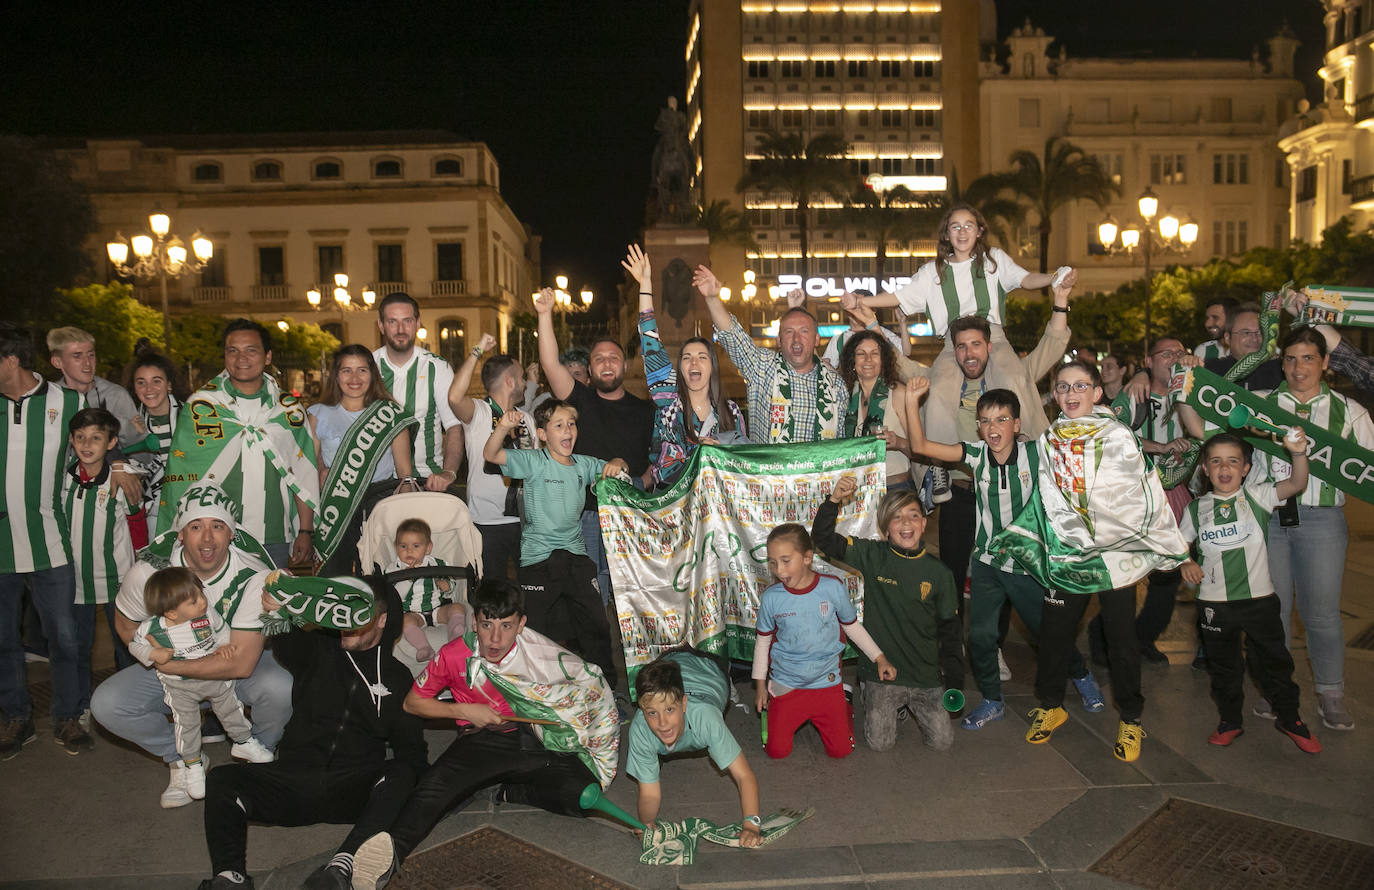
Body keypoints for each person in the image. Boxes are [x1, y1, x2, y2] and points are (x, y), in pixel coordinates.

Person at [348, 580, 618, 890]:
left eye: (506, 626)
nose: (495, 638)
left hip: (538, 738)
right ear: (474, 621)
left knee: (581, 797)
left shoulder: (538, 652)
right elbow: (412, 702)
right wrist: (464, 711)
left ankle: (510, 791)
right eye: (487, 624)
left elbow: (587, 684)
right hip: (483, 739)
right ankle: (387, 856)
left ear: (521, 625)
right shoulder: (454, 654)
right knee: (433, 790)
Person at [1009, 361, 1187, 763]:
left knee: (1121, 639)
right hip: (1070, 552)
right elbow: (1047, 495)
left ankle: (1132, 718)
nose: (1071, 394)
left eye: (1081, 386)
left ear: (1097, 393)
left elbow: (1142, 490)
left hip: (1114, 554)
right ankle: (1052, 706)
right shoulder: (1051, 437)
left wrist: (1156, 541)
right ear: (1054, 394)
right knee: (1054, 634)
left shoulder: (1118, 435)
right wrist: (1045, 538)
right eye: (1063, 387)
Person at [903, 383, 1104, 730]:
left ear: (1017, 424)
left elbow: (1083, 448)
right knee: (979, 637)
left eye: (1001, 419)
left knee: (1047, 632)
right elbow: (920, 447)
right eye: (985, 421)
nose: (993, 428)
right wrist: (910, 401)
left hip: (1027, 565)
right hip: (986, 564)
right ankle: (992, 700)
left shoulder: (1036, 453)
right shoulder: (975, 454)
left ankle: (1081, 674)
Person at [199, 584, 427, 890]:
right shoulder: (317, 648)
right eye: (344, 610)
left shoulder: (397, 677)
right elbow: (286, 637)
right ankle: (230, 877)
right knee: (221, 779)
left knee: (400, 772)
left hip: (351, 787)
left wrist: (434, 791)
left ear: (383, 620)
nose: (348, 620)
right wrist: (278, 608)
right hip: (293, 780)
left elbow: (411, 751)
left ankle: (341, 869)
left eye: (360, 612)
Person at [92, 484, 293, 807]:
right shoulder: (150, 572)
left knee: (279, 686)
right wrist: (152, 651)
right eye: (196, 527)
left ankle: (257, 751)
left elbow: (241, 663)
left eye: (218, 526)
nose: (208, 538)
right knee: (108, 703)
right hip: (173, 668)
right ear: (181, 534)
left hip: (228, 666)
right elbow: (125, 623)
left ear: (232, 533)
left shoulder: (253, 573)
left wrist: (173, 666)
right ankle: (185, 759)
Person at [912, 279, 1073, 629]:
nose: (969, 353)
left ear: (989, 347)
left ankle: (995, 644)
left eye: (975, 345)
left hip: (1010, 493)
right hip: (959, 490)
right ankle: (952, 642)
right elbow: (897, 366)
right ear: (952, 351)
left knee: (1006, 569)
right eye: (961, 347)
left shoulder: (1016, 376)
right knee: (952, 570)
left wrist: (1059, 301)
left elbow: (1051, 346)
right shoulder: (941, 385)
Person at [849, 203, 1072, 447]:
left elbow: (1026, 279)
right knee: (938, 391)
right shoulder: (931, 272)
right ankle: (938, 463)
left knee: (1014, 379)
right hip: (951, 344)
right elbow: (899, 297)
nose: (963, 231)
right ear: (947, 234)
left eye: (969, 225)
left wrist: (1054, 278)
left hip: (993, 338)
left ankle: (1031, 447)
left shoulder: (994, 260)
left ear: (979, 231)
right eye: (956, 226)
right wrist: (861, 301)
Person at [1258, 327, 1374, 731]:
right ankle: (1277, 691)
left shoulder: (1351, 412)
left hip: (1323, 522)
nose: (1298, 367)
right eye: (1290, 359)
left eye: (1308, 358)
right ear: (1281, 363)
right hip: (1270, 520)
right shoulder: (1260, 406)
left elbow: (1368, 471)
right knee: (1272, 613)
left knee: (1321, 614)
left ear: (1325, 363)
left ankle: (1331, 694)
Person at [1178, 433, 1321, 753]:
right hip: (1214, 604)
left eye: (1232, 461)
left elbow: (1297, 483)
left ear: (1245, 468)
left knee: (1274, 662)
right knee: (1224, 667)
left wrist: (1298, 453)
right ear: (1204, 468)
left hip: (1259, 601)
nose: (1224, 467)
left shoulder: (1258, 496)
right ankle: (1230, 720)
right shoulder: (1196, 508)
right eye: (1216, 461)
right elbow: (1177, 545)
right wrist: (1185, 561)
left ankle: (1289, 717)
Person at [484, 399, 627, 687]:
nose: (567, 430)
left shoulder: (584, 464)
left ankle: (608, 690)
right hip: (538, 560)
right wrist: (503, 428)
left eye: (571, 424)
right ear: (542, 434)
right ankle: (532, 687)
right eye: (558, 425)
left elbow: (619, 465)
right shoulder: (534, 461)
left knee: (597, 625)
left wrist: (615, 463)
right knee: (534, 629)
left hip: (575, 556)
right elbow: (491, 454)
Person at [810, 477, 960, 752]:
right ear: (885, 529)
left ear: (924, 524)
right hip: (883, 672)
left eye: (913, 516)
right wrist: (833, 501)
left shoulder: (940, 573)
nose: (906, 524)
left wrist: (955, 680)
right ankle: (868, 691)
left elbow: (950, 630)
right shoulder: (873, 555)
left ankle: (907, 704)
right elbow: (823, 539)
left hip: (924, 674)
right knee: (880, 744)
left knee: (943, 742)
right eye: (897, 517)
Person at [158, 319, 319, 569]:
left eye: (250, 350)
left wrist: (306, 531)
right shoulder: (201, 407)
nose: (241, 358)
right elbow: (181, 476)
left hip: (273, 535)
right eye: (232, 350)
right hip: (212, 536)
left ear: (267, 357)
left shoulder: (288, 410)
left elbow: (302, 473)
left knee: (267, 605)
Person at [0, 324, 89, 759]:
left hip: (50, 542)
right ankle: (16, 718)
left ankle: (67, 717)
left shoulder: (69, 402)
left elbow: (91, 453)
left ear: (11, 360)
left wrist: (123, 469)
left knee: (64, 639)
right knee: (3, 641)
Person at [534, 285, 654, 603]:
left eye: (613, 358)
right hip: (585, 514)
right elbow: (549, 364)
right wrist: (544, 314)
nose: (606, 364)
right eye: (598, 359)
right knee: (589, 590)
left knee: (632, 589)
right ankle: (599, 650)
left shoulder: (645, 410)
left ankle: (633, 650)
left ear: (625, 366)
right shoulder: (580, 401)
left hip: (632, 511)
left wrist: (643, 481)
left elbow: (662, 457)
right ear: (590, 369)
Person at [752, 523, 895, 759]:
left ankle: (843, 700)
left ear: (807, 558)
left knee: (841, 751)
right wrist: (759, 686)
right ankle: (776, 712)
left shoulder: (832, 588)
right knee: (777, 752)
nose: (778, 569)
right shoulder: (771, 598)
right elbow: (763, 643)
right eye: (773, 562)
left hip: (826, 681)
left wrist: (879, 658)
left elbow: (852, 627)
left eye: (786, 560)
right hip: (787, 684)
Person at [1091, 336, 1191, 667]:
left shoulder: (1191, 391)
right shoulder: (1137, 394)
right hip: (1135, 495)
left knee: (1169, 575)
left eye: (1180, 353)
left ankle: (1141, 638)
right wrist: (1159, 447)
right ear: (1149, 361)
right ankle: (1105, 638)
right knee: (1124, 575)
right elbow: (1107, 433)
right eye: (1167, 354)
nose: (1174, 358)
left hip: (1176, 493)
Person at [134, 566, 275, 799]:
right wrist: (151, 654)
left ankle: (243, 741)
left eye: (200, 595)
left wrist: (224, 645)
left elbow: (221, 630)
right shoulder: (151, 628)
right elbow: (134, 645)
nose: (202, 602)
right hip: (180, 686)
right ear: (170, 613)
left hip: (213, 678)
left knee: (231, 709)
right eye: (193, 601)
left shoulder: (207, 614)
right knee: (187, 726)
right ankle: (192, 764)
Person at [624, 244, 747, 488]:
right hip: (671, 502)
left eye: (702, 356)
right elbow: (650, 341)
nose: (693, 362)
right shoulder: (668, 400)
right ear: (679, 368)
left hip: (717, 505)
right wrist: (645, 284)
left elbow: (744, 460)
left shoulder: (731, 411)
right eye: (687, 357)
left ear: (712, 367)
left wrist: (719, 448)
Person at [695, 266, 848, 444]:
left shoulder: (835, 384)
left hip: (818, 472)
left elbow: (840, 446)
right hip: (769, 471)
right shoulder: (763, 367)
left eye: (804, 332)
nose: (796, 339)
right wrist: (713, 298)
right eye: (789, 332)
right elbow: (733, 337)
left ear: (816, 340)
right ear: (779, 340)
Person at [628, 649, 762, 845]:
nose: (663, 723)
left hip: (711, 668)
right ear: (641, 710)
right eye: (652, 713)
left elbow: (744, 776)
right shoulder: (640, 728)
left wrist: (751, 825)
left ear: (683, 703)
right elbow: (649, 793)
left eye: (669, 710)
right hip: (668, 659)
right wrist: (646, 823)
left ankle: (728, 677)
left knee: (719, 676)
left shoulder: (706, 718)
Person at [64, 407, 147, 726]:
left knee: (125, 645)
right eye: (80, 437)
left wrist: (142, 562)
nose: (87, 444)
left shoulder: (122, 477)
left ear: (112, 443)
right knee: (79, 647)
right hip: (77, 580)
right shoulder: (64, 479)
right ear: (71, 441)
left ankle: (130, 704)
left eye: (96, 438)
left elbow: (137, 522)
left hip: (118, 579)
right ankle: (82, 706)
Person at [449, 333, 535, 580]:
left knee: (530, 590)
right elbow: (454, 397)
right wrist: (477, 349)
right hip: (485, 522)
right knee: (490, 593)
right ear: (509, 381)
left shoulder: (526, 418)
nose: (525, 383)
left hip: (524, 520)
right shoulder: (479, 412)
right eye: (521, 377)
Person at [373, 292, 464, 491]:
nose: (400, 329)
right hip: (376, 481)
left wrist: (448, 473)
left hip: (427, 479)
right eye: (392, 322)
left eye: (407, 321)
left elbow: (453, 427)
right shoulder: (368, 368)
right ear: (381, 325)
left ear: (417, 323)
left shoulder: (437, 367)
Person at [307, 345, 416, 488]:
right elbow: (307, 467)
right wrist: (321, 471)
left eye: (362, 370)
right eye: (346, 370)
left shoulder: (391, 415)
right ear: (336, 376)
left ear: (372, 375)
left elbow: (405, 476)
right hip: (335, 501)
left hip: (380, 500)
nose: (355, 378)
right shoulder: (317, 415)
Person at [837, 330, 915, 489]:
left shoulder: (899, 393)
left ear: (883, 360)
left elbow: (920, 450)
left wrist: (898, 442)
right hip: (859, 492)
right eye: (861, 354)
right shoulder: (845, 397)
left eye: (875, 353)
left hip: (895, 489)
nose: (868, 360)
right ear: (852, 361)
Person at [124, 351, 189, 533]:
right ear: (134, 388)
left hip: (192, 508)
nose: (149, 389)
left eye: (156, 381)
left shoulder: (192, 417)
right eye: (141, 383)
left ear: (169, 385)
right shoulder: (127, 425)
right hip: (152, 515)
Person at [46, 326, 139, 445]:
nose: (87, 363)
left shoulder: (116, 396)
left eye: (91, 355)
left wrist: (121, 426)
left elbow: (143, 453)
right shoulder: (49, 398)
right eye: (77, 356)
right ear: (57, 362)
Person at [389, 518, 464, 662]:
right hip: (412, 613)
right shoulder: (393, 569)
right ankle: (424, 648)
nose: (409, 550)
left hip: (438, 609)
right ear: (396, 547)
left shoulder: (437, 563)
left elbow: (451, 583)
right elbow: (394, 596)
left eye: (416, 546)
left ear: (428, 548)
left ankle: (456, 637)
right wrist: (407, 578)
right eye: (403, 546)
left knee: (458, 608)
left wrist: (447, 586)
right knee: (404, 621)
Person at [820, 288, 908, 371]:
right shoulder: (838, 340)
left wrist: (902, 323)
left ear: (872, 310)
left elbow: (905, 354)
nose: (857, 311)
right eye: (854, 306)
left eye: (861, 306)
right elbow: (828, 370)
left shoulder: (881, 332)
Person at [1194, 297, 1237, 362]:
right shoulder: (1203, 350)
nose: (1207, 324)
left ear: (1232, 318)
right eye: (1207, 318)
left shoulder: (1249, 349)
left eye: (1215, 318)